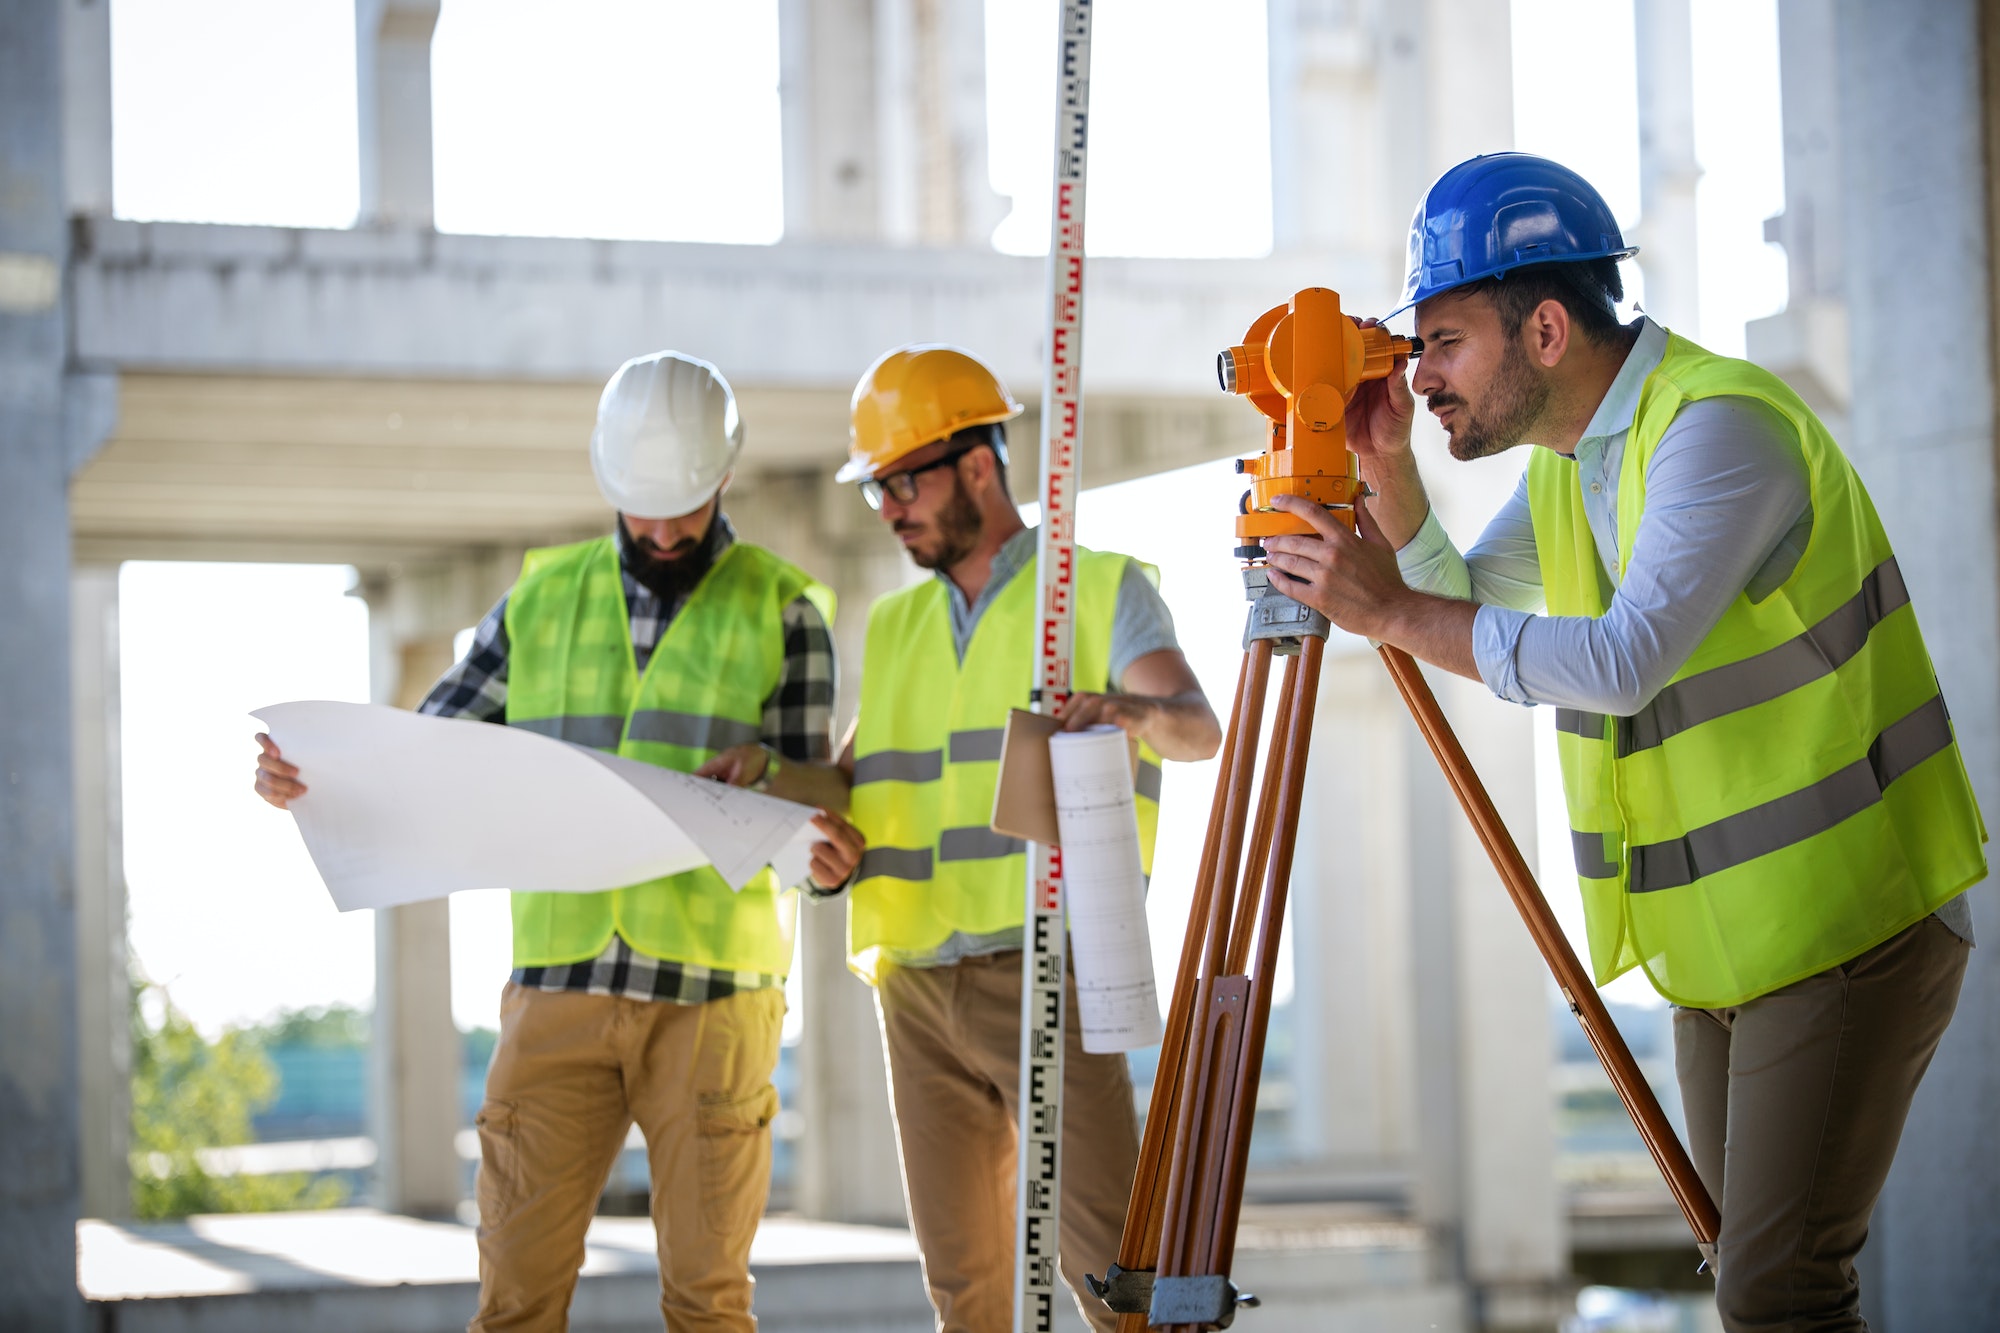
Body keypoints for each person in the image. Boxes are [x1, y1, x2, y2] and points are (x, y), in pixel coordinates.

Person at [1259, 153, 1987, 1332]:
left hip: (1849, 920)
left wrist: (1383, 608)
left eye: (1441, 341)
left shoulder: (1718, 430)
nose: (1417, 373)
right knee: (1756, 1282)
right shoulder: (1571, 466)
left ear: (1543, 328)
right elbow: (1456, 592)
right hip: (1721, 946)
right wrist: (1386, 473)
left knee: (1775, 1288)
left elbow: (1613, 661)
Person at [254, 350, 865, 1333]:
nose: (662, 532)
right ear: (606, 482)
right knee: (515, 1303)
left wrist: (825, 859)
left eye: (684, 507)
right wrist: (315, 779)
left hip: (711, 1003)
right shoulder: (536, 602)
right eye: (641, 508)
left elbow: (804, 811)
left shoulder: (782, 607)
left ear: (723, 475)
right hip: (557, 991)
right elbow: (428, 756)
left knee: (709, 1305)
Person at [828, 344, 1222, 1333]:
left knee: (1118, 1283)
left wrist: (1124, 711)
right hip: (915, 983)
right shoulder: (893, 625)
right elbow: (854, 775)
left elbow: (1195, 727)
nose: (887, 509)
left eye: (901, 482)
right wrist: (777, 794)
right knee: (966, 1293)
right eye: (876, 490)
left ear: (974, 465)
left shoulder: (1092, 590)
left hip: (1048, 968)